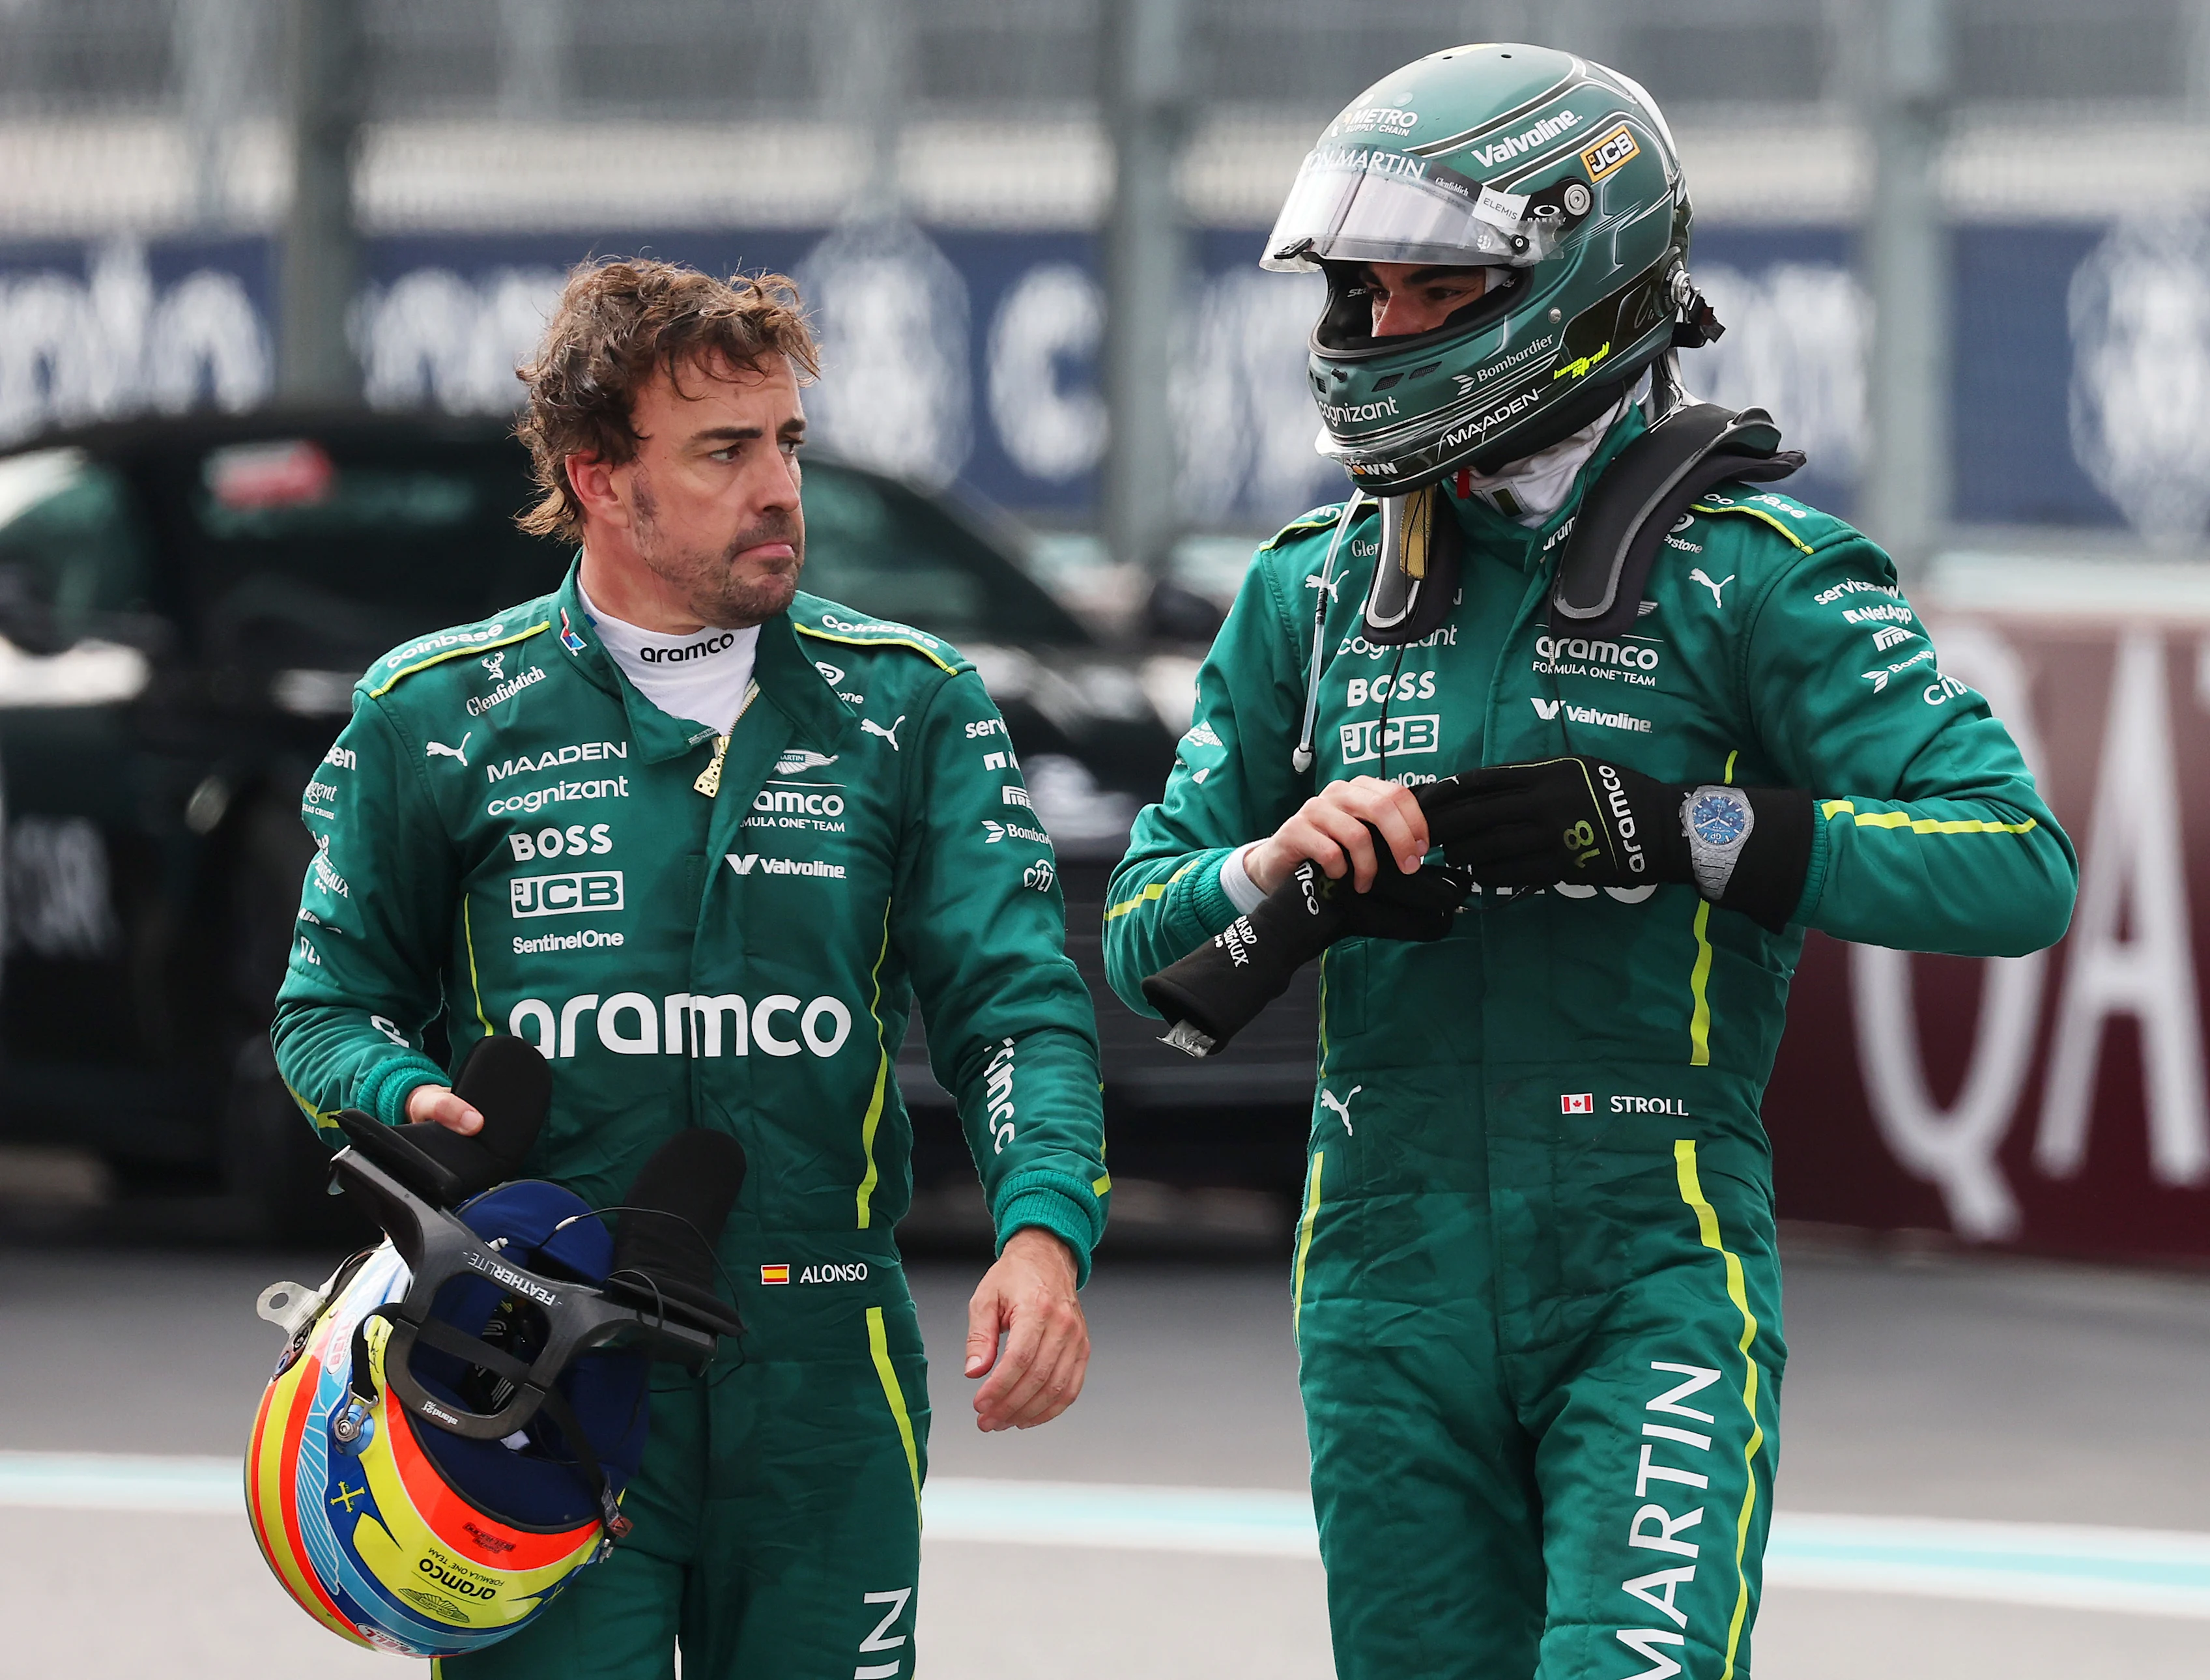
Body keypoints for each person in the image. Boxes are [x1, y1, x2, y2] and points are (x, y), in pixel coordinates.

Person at [1102, 44, 2076, 1680]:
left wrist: (1676, 829)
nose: (1380, 332)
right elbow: (1144, 930)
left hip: (1652, 1255)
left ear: (1582, 282)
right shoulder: (1305, 590)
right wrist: (1275, 866)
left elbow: (2014, 862)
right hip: (1379, 1270)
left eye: (1432, 291)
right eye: (1362, 291)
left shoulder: (1762, 575)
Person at [272, 259, 1109, 1678]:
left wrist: (1043, 1229)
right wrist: (401, 1098)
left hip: (825, 1362)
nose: (777, 486)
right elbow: (324, 1009)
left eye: (785, 441)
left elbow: (1016, 1002)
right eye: (723, 450)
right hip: (532, 1357)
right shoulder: (434, 713)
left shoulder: (911, 703)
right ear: (598, 476)